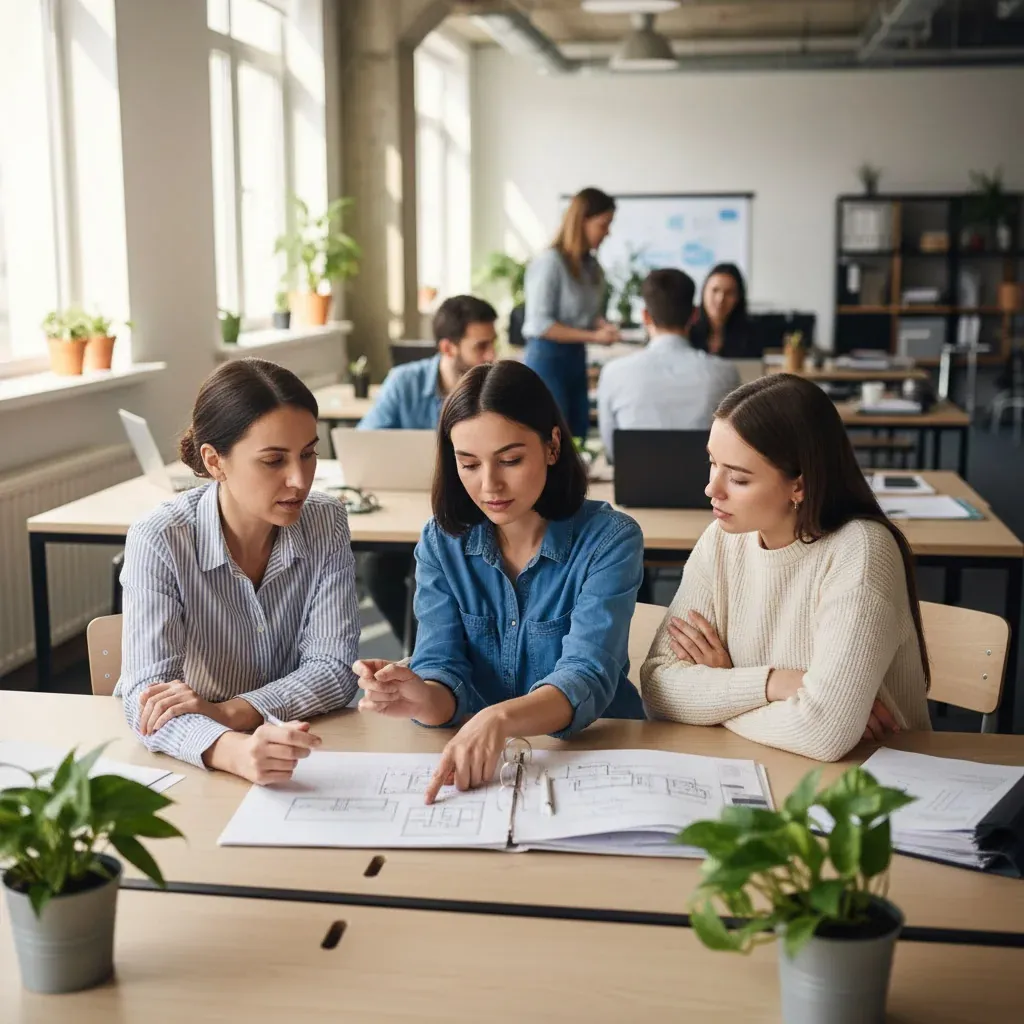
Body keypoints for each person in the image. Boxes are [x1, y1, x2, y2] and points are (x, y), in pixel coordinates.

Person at [355, 360, 646, 800]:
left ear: (552, 445)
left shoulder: (610, 539)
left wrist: (497, 719)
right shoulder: (441, 541)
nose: (490, 484)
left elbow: (587, 674)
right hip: (485, 765)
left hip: (594, 757)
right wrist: (420, 695)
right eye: (468, 464)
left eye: (510, 460)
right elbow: (441, 666)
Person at [640, 373, 932, 763]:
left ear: (799, 486)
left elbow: (824, 733)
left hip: (872, 783)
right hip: (765, 765)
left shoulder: (861, 551)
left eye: (739, 478)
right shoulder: (722, 539)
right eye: (712, 463)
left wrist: (720, 691)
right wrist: (773, 684)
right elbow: (658, 687)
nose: (712, 488)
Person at [117, 359, 360, 780]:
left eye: (308, 454)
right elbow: (148, 699)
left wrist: (231, 712)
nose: (299, 480)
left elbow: (335, 669)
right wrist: (232, 750)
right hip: (194, 762)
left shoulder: (326, 520)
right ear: (214, 462)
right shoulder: (160, 539)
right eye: (273, 461)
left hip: (303, 748)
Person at [357, 295, 498, 645]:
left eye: (492, 344)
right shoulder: (404, 381)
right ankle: (423, 647)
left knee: (446, 566)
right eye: (481, 346)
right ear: (448, 347)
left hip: (479, 509)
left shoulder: (496, 388)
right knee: (375, 569)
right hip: (411, 509)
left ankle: (448, 648)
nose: (491, 355)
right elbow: (364, 443)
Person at [597, 268, 741, 462]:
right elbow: (732, 447)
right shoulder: (726, 373)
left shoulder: (612, 373)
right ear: (694, 315)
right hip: (707, 490)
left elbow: (613, 452)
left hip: (634, 490)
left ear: (645, 316)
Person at [523, 187, 620, 440]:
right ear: (582, 221)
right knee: (552, 436)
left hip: (576, 357)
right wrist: (594, 336)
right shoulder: (550, 263)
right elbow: (541, 324)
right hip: (547, 358)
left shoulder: (592, 267)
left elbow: (590, 315)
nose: (608, 233)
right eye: (603, 224)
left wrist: (603, 326)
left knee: (578, 432)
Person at [689, 263, 752, 358]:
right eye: (715, 290)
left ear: (738, 297)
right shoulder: (687, 332)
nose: (720, 299)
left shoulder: (751, 336)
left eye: (729, 293)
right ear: (704, 293)